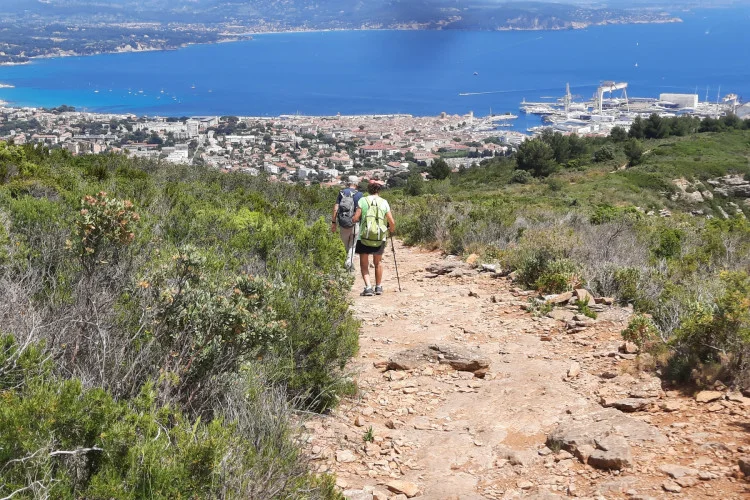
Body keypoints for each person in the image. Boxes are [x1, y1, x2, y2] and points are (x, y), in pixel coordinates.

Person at [352, 179, 396, 296]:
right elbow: (391, 220)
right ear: (379, 190)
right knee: (378, 262)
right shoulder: (384, 202)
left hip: (364, 237)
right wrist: (391, 229)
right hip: (379, 237)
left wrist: (353, 219)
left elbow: (356, 218)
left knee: (364, 264)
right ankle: (378, 287)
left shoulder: (363, 200)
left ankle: (368, 288)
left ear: (368, 190)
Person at [331, 180, 363, 271]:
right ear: (356, 184)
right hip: (354, 223)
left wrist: (333, 222)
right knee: (352, 245)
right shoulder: (359, 194)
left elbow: (336, 208)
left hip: (343, 222)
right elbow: (360, 210)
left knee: (344, 244)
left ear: (348, 183)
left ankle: (344, 263)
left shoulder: (341, 193)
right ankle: (349, 264)